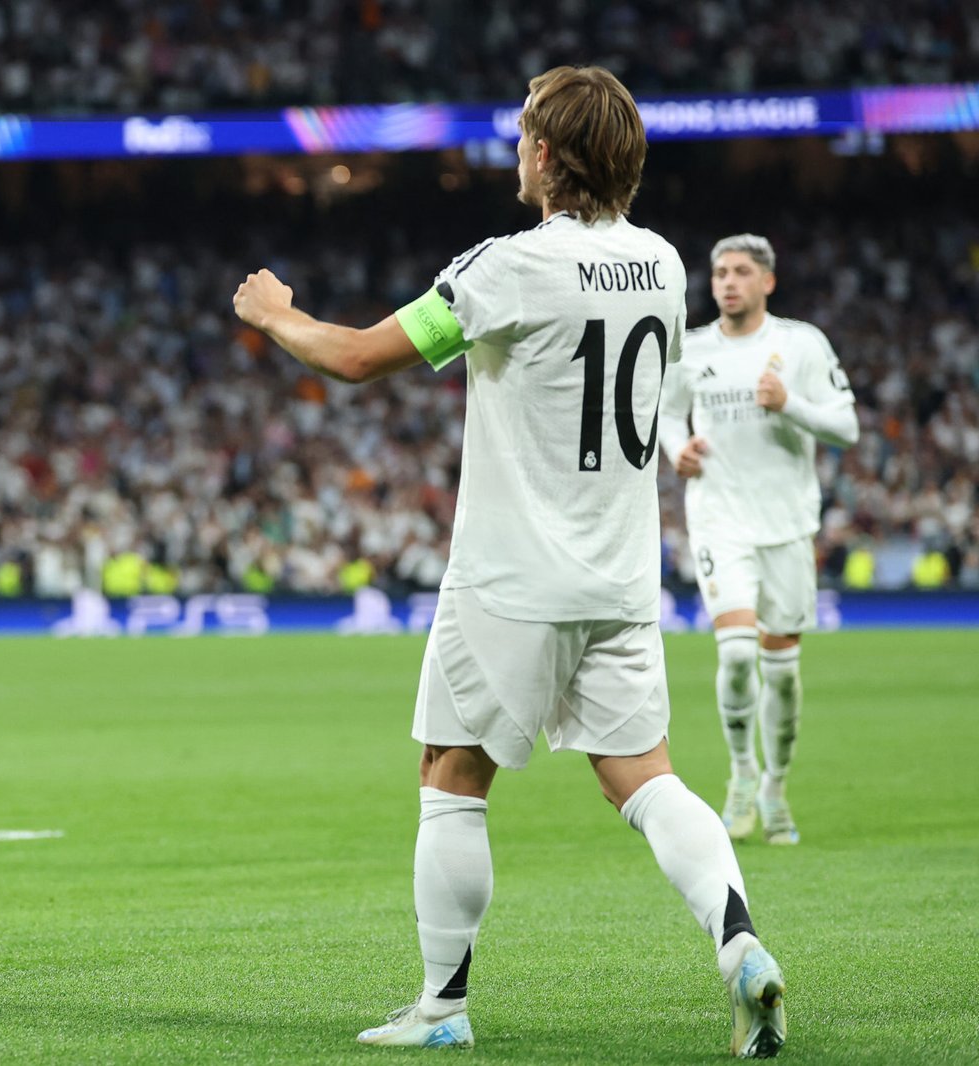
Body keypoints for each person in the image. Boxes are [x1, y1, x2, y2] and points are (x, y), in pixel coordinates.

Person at [232, 66, 786, 1058]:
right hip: (620, 578)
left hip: (511, 576)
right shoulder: (662, 264)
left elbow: (358, 358)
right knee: (643, 777)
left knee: (451, 772)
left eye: (524, 134)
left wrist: (274, 312)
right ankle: (737, 935)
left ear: (541, 154)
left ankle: (441, 1006)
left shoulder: (505, 268)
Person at [659, 235, 859, 846]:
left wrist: (790, 403)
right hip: (720, 519)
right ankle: (743, 775)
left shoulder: (799, 345)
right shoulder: (690, 350)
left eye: (742, 272)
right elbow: (667, 414)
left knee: (783, 670)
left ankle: (776, 786)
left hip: (786, 525)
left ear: (767, 281)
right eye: (720, 272)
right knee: (739, 654)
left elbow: (847, 427)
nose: (728, 282)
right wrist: (677, 449)